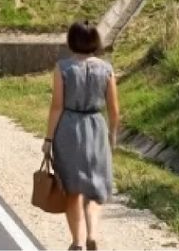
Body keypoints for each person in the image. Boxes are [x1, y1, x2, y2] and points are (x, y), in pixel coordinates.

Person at [43, 20, 121, 250]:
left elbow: (56, 106)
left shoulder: (63, 68)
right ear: (95, 41)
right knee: (96, 188)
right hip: (96, 126)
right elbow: (114, 110)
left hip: (68, 128)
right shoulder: (106, 69)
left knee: (72, 188)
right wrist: (113, 135)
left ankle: (77, 242)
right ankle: (93, 234)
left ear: (71, 40)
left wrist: (48, 140)